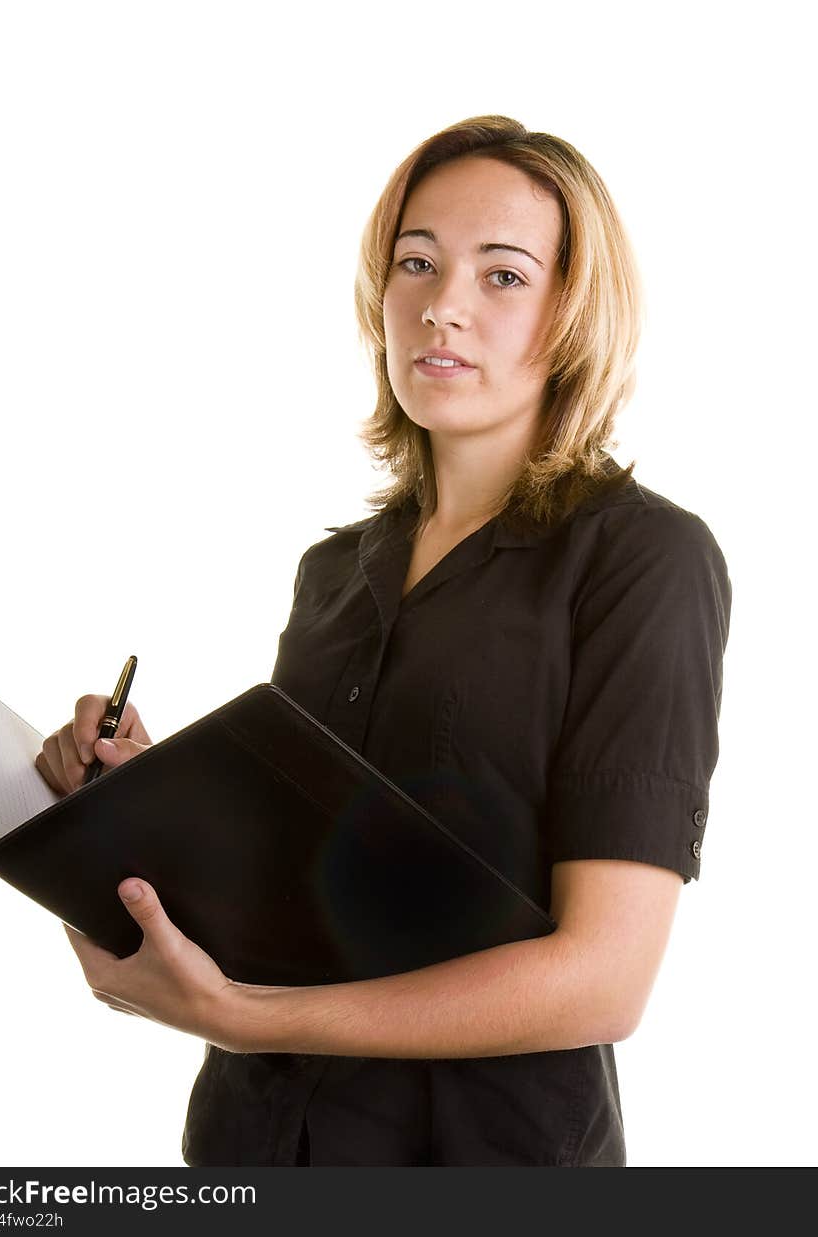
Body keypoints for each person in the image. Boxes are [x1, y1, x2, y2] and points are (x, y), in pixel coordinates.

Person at [36, 114, 732, 1167]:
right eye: (416, 262)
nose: (440, 306)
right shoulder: (334, 572)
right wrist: (145, 796)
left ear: (574, 312)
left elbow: (604, 978)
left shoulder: (644, 560)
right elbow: (299, 883)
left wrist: (256, 1017)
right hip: (256, 1144)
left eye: (502, 276)